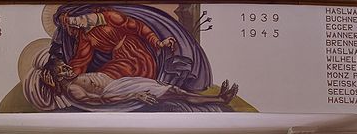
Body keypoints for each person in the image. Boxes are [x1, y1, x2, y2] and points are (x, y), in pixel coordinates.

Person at [36, 56, 238, 112]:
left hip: (124, 83)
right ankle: (219, 99)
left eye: (64, 66)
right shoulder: (73, 89)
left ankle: (219, 97)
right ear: (56, 78)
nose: (68, 68)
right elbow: (103, 100)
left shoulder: (72, 79)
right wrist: (135, 95)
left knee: (175, 90)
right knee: (175, 94)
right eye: (62, 69)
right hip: (122, 89)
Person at [58, 8, 176, 80]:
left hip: (135, 54)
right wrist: (70, 75)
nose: (77, 23)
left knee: (106, 78)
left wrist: (158, 42)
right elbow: (81, 61)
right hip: (119, 58)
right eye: (73, 23)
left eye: (77, 19)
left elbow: (140, 28)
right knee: (100, 78)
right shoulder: (85, 36)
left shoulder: (111, 17)